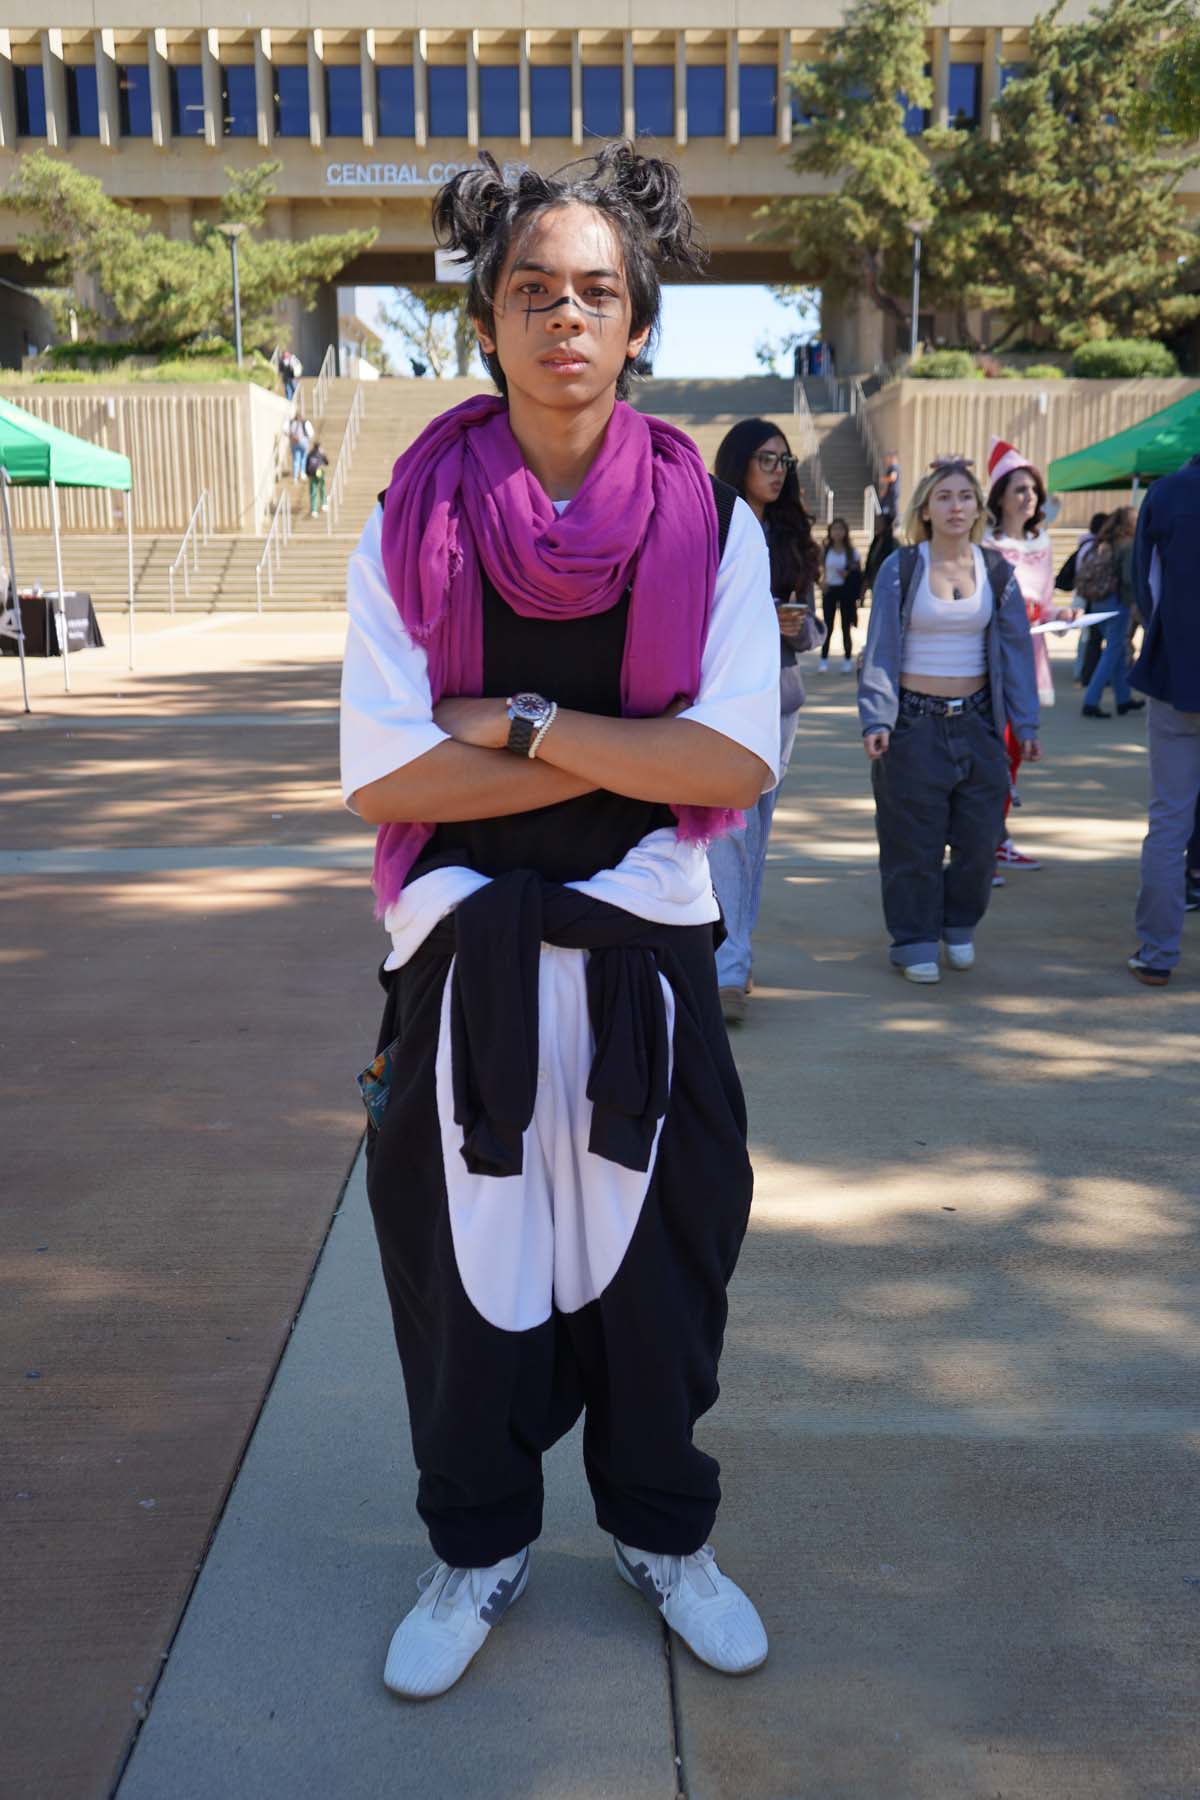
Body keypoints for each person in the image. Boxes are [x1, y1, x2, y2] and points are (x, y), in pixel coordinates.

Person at [339, 144, 780, 1701]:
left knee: (665, 1276)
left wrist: (517, 728)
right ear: (487, 323)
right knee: (465, 1287)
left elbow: (729, 759)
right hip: (469, 963)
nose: (566, 318)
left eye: (597, 291)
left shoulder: (706, 524)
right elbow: (384, 767)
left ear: (640, 321)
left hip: (647, 952)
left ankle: (666, 1533)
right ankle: (477, 1548)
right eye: (533, 292)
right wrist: (611, 748)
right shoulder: (415, 519)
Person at [857, 457, 1040, 983]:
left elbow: (1014, 652)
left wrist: (1024, 726)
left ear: (978, 508)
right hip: (913, 724)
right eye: (944, 497)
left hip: (979, 723)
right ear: (927, 509)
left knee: (980, 842)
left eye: (965, 496)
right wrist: (877, 718)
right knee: (911, 841)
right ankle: (914, 938)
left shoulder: (996, 570)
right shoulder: (902, 567)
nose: (956, 506)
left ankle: (959, 924)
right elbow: (881, 650)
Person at [709, 418, 821, 1024]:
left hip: (777, 698)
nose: (777, 472)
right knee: (729, 829)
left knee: (755, 836)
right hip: (724, 697)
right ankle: (728, 965)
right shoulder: (711, 520)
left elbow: (816, 626)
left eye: (785, 461)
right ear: (739, 461)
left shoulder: (790, 531)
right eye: (766, 460)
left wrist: (802, 628)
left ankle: (737, 952)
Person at [984, 438, 1079, 874]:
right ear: (1000, 495)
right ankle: (983, 844)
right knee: (993, 755)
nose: (1029, 496)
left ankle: (997, 839)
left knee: (1017, 750)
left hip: (1031, 657)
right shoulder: (984, 546)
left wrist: (1063, 614)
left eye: (1033, 490)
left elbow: (1043, 601)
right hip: (992, 663)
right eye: (1020, 488)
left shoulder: (1043, 545)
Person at [1126, 455, 1200, 985]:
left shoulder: (1168, 493)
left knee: (1169, 822)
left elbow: (1144, 586)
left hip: (1178, 675)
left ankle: (1157, 953)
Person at [1080, 507, 1144, 719]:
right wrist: (1135, 602)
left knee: (1115, 652)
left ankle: (1123, 699)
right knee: (1112, 652)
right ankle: (1091, 700)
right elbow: (1128, 578)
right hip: (1117, 602)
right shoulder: (1129, 545)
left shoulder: (1105, 542)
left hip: (1098, 600)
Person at [816, 517, 861, 673]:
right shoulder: (825, 549)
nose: (837, 532)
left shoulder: (852, 552)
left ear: (845, 531)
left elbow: (857, 571)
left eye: (840, 529)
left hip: (845, 591)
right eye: (834, 529)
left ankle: (847, 659)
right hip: (830, 591)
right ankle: (823, 659)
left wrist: (848, 573)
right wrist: (821, 582)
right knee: (827, 625)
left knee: (845, 626)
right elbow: (817, 568)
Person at [863, 511, 896, 599]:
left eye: (879, 523)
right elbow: (870, 561)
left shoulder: (893, 543)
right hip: (875, 580)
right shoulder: (876, 540)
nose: (876, 525)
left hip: (887, 582)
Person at [305, 440, 329, 516]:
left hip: (312, 473)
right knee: (322, 487)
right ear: (319, 447)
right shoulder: (321, 454)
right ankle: (323, 503)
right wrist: (323, 454)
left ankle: (314, 509)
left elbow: (306, 465)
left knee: (313, 490)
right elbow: (327, 462)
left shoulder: (310, 454)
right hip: (319, 472)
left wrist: (307, 474)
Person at [288, 412, 311, 483]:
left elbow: (288, 432)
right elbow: (310, 433)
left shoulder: (292, 423)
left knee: (296, 460)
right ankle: (302, 473)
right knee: (303, 458)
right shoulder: (304, 423)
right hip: (303, 442)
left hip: (294, 443)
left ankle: (295, 476)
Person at [878, 452, 901, 522]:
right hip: (891, 490)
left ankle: (897, 522)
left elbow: (893, 478)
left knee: (893, 506)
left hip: (893, 491)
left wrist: (883, 479)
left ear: (892, 458)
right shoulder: (895, 467)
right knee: (889, 505)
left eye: (889, 458)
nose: (887, 460)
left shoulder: (894, 467)